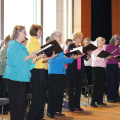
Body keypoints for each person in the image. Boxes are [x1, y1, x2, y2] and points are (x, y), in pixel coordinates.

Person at [3, 25, 44, 120]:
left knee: (21, 105)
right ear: (17, 32)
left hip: (22, 78)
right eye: (24, 32)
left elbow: (28, 62)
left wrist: (37, 58)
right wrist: (30, 56)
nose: (26, 34)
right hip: (15, 78)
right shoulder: (12, 45)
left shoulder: (21, 47)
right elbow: (14, 62)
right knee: (16, 106)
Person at [47, 30, 75, 118]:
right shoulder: (51, 46)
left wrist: (72, 58)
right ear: (53, 37)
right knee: (53, 93)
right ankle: (50, 112)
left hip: (62, 73)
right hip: (54, 73)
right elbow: (51, 59)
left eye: (61, 36)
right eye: (58, 36)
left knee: (60, 93)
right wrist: (65, 58)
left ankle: (58, 110)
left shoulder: (60, 47)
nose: (60, 38)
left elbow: (64, 60)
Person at [27, 24, 48, 120]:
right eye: (40, 32)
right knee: (37, 95)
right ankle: (33, 117)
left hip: (41, 69)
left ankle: (39, 115)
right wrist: (39, 57)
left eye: (41, 32)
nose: (41, 33)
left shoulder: (37, 42)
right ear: (35, 32)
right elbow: (31, 57)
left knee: (42, 94)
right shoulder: (31, 43)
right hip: (35, 70)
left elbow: (39, 57)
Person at [90, 37, 111, 107]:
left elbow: (102, 58)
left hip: (102, 68)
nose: (102, 44)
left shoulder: (102, 49)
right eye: (101, 43)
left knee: (102, 84)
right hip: (96, 68)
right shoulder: (94, 49)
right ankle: (93, 102)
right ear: (97, 42)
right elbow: (95, 58)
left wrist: (107, 58)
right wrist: (104, 58)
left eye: (103, 43)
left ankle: (100, 100)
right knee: (96, 85)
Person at [67, 32, 85, 113]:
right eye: (79, 37)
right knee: (71, 89)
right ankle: (71, 106)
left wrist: (88, 55)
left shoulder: (81, 47)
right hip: (72, 70)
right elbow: (71, 57)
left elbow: (85, 59)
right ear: (75, 38)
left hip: (79, 70)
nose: (81, 39)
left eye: (81, 37)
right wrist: (79, 55)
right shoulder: (71, 45)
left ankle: (77, 105)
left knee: (78, 89)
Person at [105, 35, 120, 103]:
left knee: (116, 81)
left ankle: (115, 97)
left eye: (118, 41)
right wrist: (112, 56)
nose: (117, 42)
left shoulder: (118, 48)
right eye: (116, 41)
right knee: (110, 82)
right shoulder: (108, 46)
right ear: (113, 40)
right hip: (109, 65)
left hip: (116, 65)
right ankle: (109, 97)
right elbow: (105, 55)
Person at [0, 35, 11, 114]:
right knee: (3, 92)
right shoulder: (3, 50)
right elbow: (4, 62)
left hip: (7, 74)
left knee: (6, 92)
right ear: (6, 42)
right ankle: (2, 110)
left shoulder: (8, 50)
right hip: (3, 73)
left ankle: (6, 108)